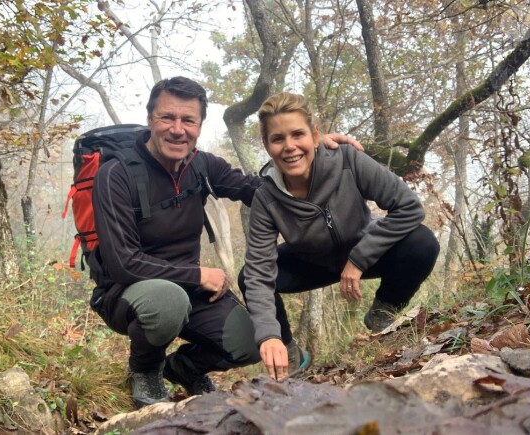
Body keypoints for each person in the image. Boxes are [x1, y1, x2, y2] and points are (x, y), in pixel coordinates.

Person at [90, 77, 362, 408]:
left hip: (187, 288)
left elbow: (261, 190)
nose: (178, 129)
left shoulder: (202, 166)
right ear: (150, 120)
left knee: (251, 339)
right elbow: (123, 262)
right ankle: (145, 370)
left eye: (188, 120)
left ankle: (185, 368)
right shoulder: (116, 174)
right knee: (167, 300)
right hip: (126, 292)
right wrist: (199, 276)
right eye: (167, 118)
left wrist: (310, 156)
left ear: (199, 126)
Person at [238, 92, 440, 381]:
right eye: (278, 139)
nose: (290, 147)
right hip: (310, 262)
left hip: (363, 249)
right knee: (248, 276)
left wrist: (358, 259)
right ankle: (290, 353)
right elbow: (259, 273)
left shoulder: (348, 160)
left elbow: (408, 207)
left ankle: (385, 309)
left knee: (422, 242)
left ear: (315, 134)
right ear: (266, 145)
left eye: (298, 134)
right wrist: (268, 335)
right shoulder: (265, 198)